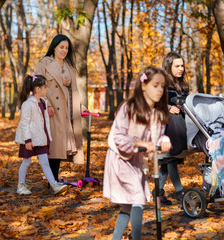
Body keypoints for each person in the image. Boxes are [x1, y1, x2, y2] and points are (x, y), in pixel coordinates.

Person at [103, 66, 171, 240]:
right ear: (143, 86)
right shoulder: (129, 108)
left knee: (127, 205)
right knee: (138, 199)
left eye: (162, 86)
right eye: (155, 85)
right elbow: (118, 137)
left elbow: (158, 137)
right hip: (121, 159)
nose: (160, 90)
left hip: (137, 161)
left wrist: (163, 141)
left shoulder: (158, 113)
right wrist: (141, 143)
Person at [35, 34, 87, 182]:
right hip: (51, 111)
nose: (64, 50)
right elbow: (37, 86)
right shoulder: (44, 63)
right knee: (53, 148)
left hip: (67, 112)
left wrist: (81, 107)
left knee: (62, 147)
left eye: (66, 48)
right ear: (54, 47)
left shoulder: (70, 67)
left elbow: (74, 91)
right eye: (61, 47)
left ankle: (53, 180)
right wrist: (47, 104)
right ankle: (52, 181)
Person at [14, 74, 69, 195]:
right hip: (29, 139)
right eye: (45, 87)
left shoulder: (43, 102)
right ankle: (21, 186)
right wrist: (27, 140)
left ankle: (54, 185)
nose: (47, 90)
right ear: (38, 89)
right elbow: (24, 123)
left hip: (41, 138)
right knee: (26, 162)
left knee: (44, 162)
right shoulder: (27, 104)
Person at [156, 52, 190, 205]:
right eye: (177, 66)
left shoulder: (182, 85)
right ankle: (179, 191)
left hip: (178, 126)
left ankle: (158, 192)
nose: (180, 69)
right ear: (169, 67)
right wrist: (168, 107)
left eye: (182, 65)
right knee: (171, 159)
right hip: (165, 127)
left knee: (166, 161)